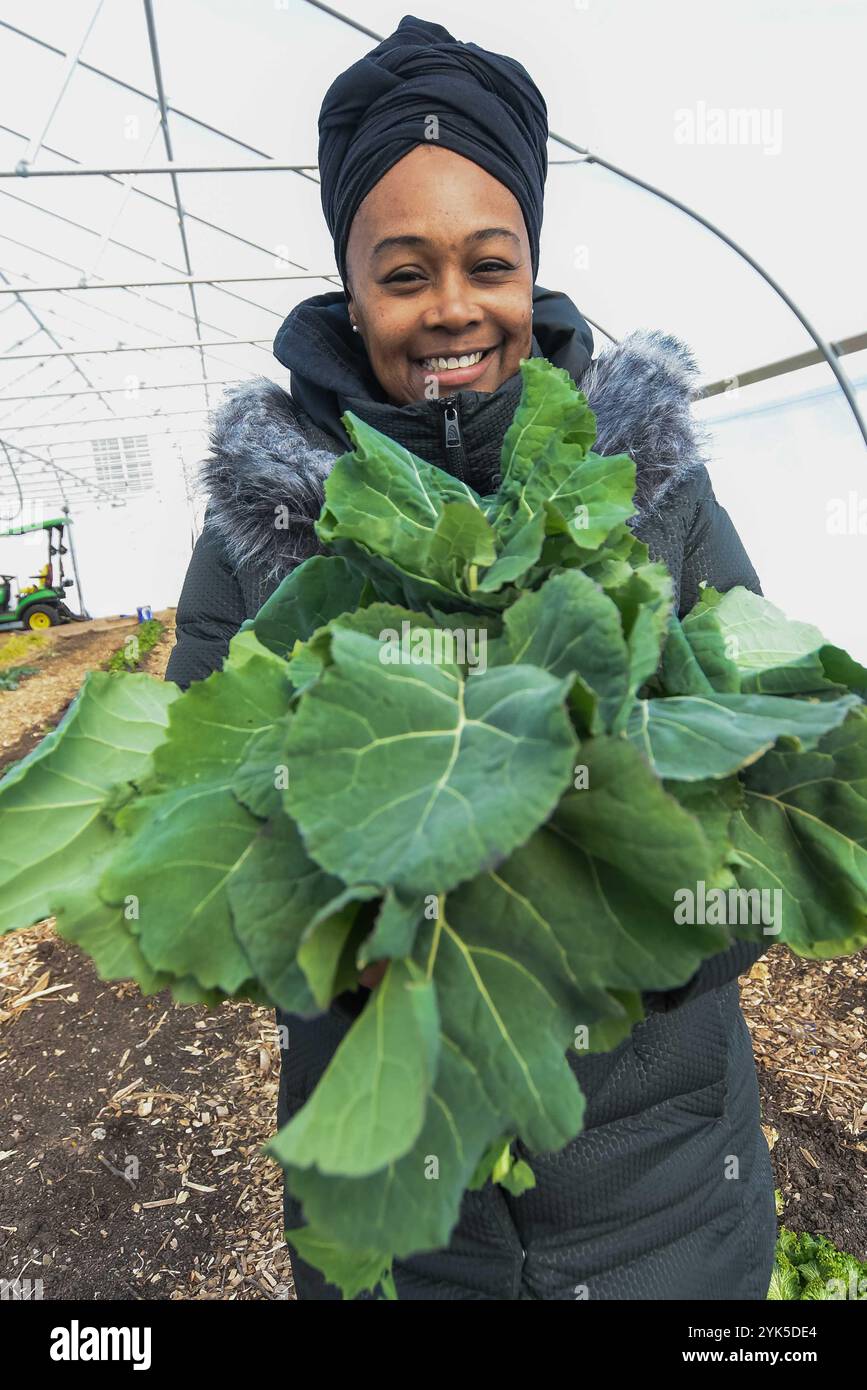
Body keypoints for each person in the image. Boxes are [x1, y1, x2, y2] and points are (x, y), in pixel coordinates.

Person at [165, 14, 777, 1300]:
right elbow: (209, 860)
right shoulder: (261, 531)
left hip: (664, 1211)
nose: (454, 309)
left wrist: (616, 907)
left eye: (488, 264)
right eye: (404, 273)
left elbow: (773, 822)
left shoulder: (647, 488)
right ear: (351, 287)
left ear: (533, 270)